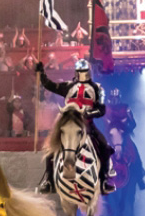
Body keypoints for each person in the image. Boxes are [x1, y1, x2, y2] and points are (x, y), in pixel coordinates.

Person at [35, 58, 116, 195]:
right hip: (68, 123)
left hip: (87, 124)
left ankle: (103, 181)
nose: (82, 74)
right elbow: (49, 85)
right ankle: (49, 181)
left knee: (104, 146)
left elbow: (101, 110)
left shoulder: (97, 88)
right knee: (51, 147)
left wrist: (89, 112)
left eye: (84, 71)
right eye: (79, 71)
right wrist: (41, 72)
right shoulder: (68, 86)